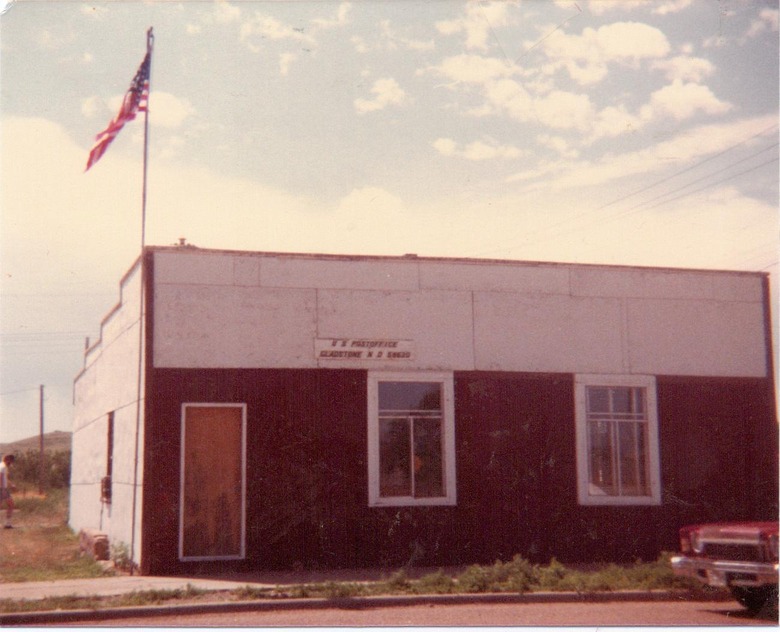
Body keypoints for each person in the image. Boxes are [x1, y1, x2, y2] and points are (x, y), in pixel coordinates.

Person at [0, 454, 16, 529]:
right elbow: (0, 477)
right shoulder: (2, 467)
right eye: (11, 461)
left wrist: (11, 484)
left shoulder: (3, 466)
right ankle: (7, 524)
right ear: (8, 460)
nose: (11, 463)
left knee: (10, 505)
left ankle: (7, 523)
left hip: (3, 488)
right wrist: (3, 489)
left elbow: (4, 478)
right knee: (11, 505)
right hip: (2, 489)